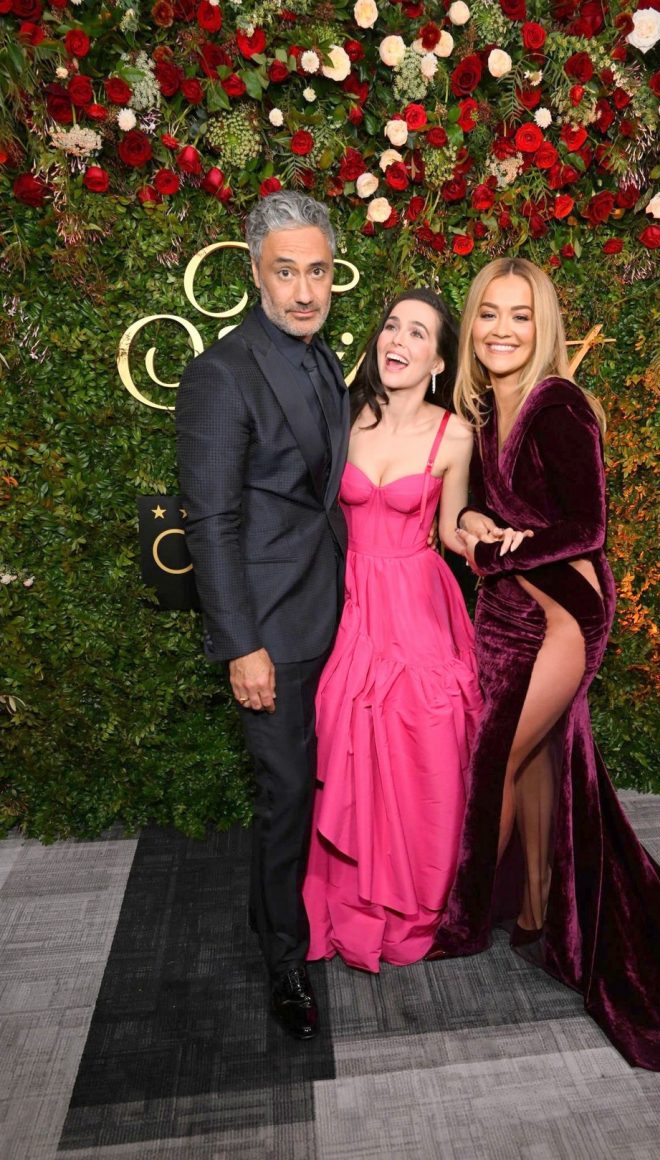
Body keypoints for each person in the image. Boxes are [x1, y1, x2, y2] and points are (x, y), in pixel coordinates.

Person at [428, 258, 660, 1071]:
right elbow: (498, 510)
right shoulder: (486, 409)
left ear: (544, 326)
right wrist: (477, 522)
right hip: (514, 610)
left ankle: (460, 923)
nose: (502, 330)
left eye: (520, 316)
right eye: (489, 313)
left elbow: (587, 527)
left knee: (494, 759)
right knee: (537, 764)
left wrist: (497, 557)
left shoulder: (558, 404)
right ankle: (538, 915)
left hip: (568, 612)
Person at [175, 191, 350, 1040]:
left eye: (317, 271)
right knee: (284, 796)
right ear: (255, 273)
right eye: (286, 273)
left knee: (325, 784)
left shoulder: (324, 360)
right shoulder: (222, 373)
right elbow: (210, 522)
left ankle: (323, 912)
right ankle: (283, 959)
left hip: (338, 613)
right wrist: (241, 645)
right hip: (272, 632)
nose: (304, 291)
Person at [302, 289, 504, 971]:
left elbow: (451, 526)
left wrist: (479, 530)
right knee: (345, 740)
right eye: (392, 326)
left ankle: (414, 903)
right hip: (348, 598)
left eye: (418, 333)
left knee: (423, 746)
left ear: (439, 360)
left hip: (417, 602)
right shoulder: (344, 416)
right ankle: (345, 903)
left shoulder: (456, 435)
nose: (398, 340)